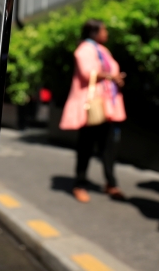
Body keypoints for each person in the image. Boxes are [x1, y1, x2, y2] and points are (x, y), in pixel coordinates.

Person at [59, 19, 127, 203]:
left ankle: (111, 182)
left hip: (106, 105)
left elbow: (111, 70)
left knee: (108, 147)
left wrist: (116, 78)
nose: (106, 33)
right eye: (103, 30)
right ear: (94, 32)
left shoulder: (103, 50)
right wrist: (111, 76)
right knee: (86, 146)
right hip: (92, 106)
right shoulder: (84, 50)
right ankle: (79, 183)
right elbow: (87, 72)